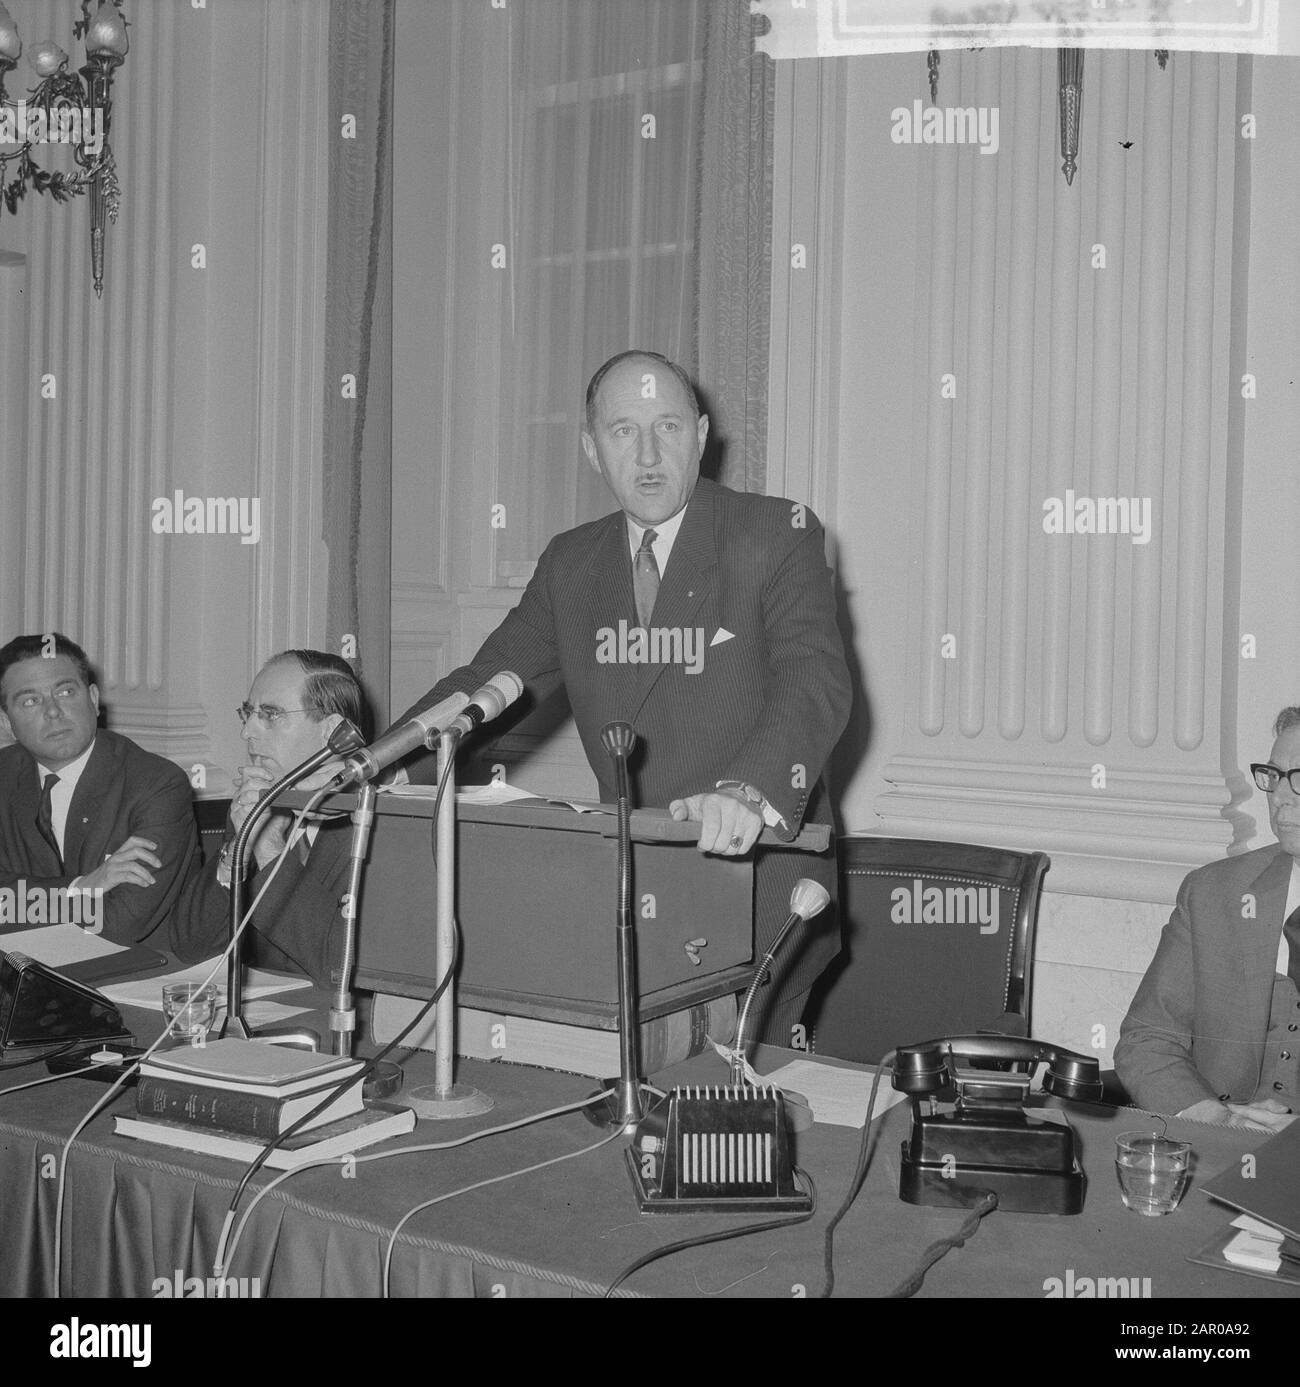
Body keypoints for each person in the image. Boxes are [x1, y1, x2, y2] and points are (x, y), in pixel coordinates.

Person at [390, 350, 852, 1042]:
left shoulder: (775, 533)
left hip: (760, 877)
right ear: (590, 448)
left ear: (701, 435)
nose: (647, 454)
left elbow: (813, 678)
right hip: (641, 887)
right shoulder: (571, 564)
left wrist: (750, 790)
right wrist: (377, 766)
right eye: (621, 430)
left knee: (725, 1112)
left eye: (667, 426)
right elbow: (483, 682)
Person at [1114, 706, 1300, 1132]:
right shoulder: (1215, 892)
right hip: (1224, 1150)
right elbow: (1148, 1040)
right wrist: (1215, 1118)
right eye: (1274, 775)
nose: (1280, 796)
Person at [167, 649, 365, 986]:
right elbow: (192, 946)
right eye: (248, 713)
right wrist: (238, 855)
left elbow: (342, 967)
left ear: (332, 730)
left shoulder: (379, 820)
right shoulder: (258, 797)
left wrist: (270, 850)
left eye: (271, 715)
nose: (247, 733)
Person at [0, 633, 198, 944]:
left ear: (93, 700)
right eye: (30, 700)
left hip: (135, 975)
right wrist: (82, 888)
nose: (52, 711)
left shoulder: (157, 783)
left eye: (65, 692)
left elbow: (121, 923)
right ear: (5, 721)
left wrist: (19, 901)